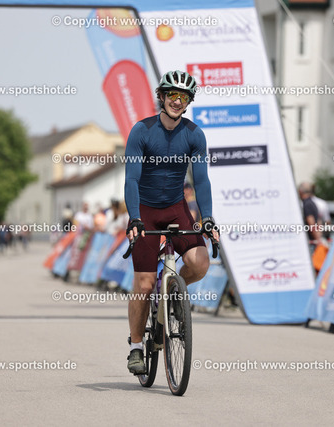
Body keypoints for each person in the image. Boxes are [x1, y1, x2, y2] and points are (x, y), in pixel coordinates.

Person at [124, 70, 219, 375]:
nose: (178, 101)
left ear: (189, 102)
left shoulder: (194, 134)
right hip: (146, 209)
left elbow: (201, 180)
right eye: (173, 95)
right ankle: (136, 347)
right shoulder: (142, 131)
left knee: (200, 262)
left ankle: (174, 292)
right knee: (144, 283)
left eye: (184, 97)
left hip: (176, 207)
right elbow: (131, 179)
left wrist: (207, 218)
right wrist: (135, 217)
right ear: (162, 97)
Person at [298, 183, 321, 253]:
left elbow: (311, 223)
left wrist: (317, 240)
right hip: (314, 240)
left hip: (311, 242)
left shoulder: (307, 204)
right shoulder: (312, 203)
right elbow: (318, 221)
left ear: (300, 192)